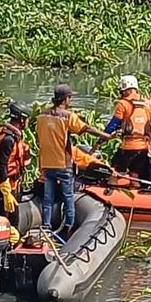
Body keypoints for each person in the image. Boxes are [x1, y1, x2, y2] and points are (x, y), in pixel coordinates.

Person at [35, 84, 110, 234]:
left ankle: (46, 226)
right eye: (70, 97)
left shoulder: (41, 116)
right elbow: (85, 128)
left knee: (48, 198)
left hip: (46, 164)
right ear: (66, 99)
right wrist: (105, 135)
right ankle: (69, 226)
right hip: (63, 163)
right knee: (68, 197)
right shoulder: (68, 116)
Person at [99, 76, 151, 183]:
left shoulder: (123, 104)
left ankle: (111, 195)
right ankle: (135, 193)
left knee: (114, 171)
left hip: (128, 146)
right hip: (143, 147)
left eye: (123, 91)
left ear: (128, 89)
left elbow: (112, 125)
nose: (122, 94)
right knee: (134, 175)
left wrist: (100, 140)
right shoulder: (147, 103)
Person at [0, 102, 33, 216]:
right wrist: (6, 191)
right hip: (4, 186)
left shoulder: (12, 135)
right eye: (26, 119)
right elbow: (2, 164)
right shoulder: (9, 139)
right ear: (21, 119)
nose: (27, 122)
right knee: (8, 219)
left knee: (14, 218)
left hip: (13, 183)